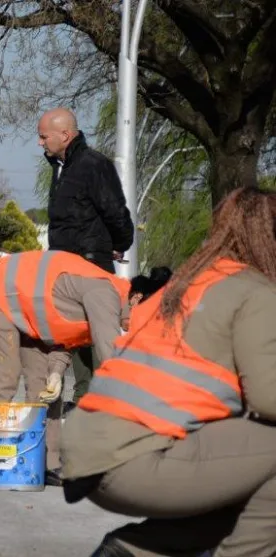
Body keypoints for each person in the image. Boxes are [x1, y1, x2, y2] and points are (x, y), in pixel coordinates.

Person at [61, 187, 276, 557]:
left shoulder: (186, 284)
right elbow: (269, 398)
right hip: (135, 457)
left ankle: (135, 551)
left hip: (88, 448)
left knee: (246, 482)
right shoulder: (255, 292)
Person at [0, 250, 168, 487]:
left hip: (30, 310)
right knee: (3, 377)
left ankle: (47, 463)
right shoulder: (104, 293)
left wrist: (56, 373)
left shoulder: (108, 300)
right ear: (137, 299)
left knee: (46, 386)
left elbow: (67, 336)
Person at [38, 107, 135, 410]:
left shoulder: (94, 165)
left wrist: (118, 244)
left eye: (43, 137)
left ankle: (107, 402)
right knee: (73, 331)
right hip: (64, 266)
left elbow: (116, 211)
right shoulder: (61, 167)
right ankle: (82, 399)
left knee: (99, 334)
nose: (40, 143)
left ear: (64, 135)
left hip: (91, 264)